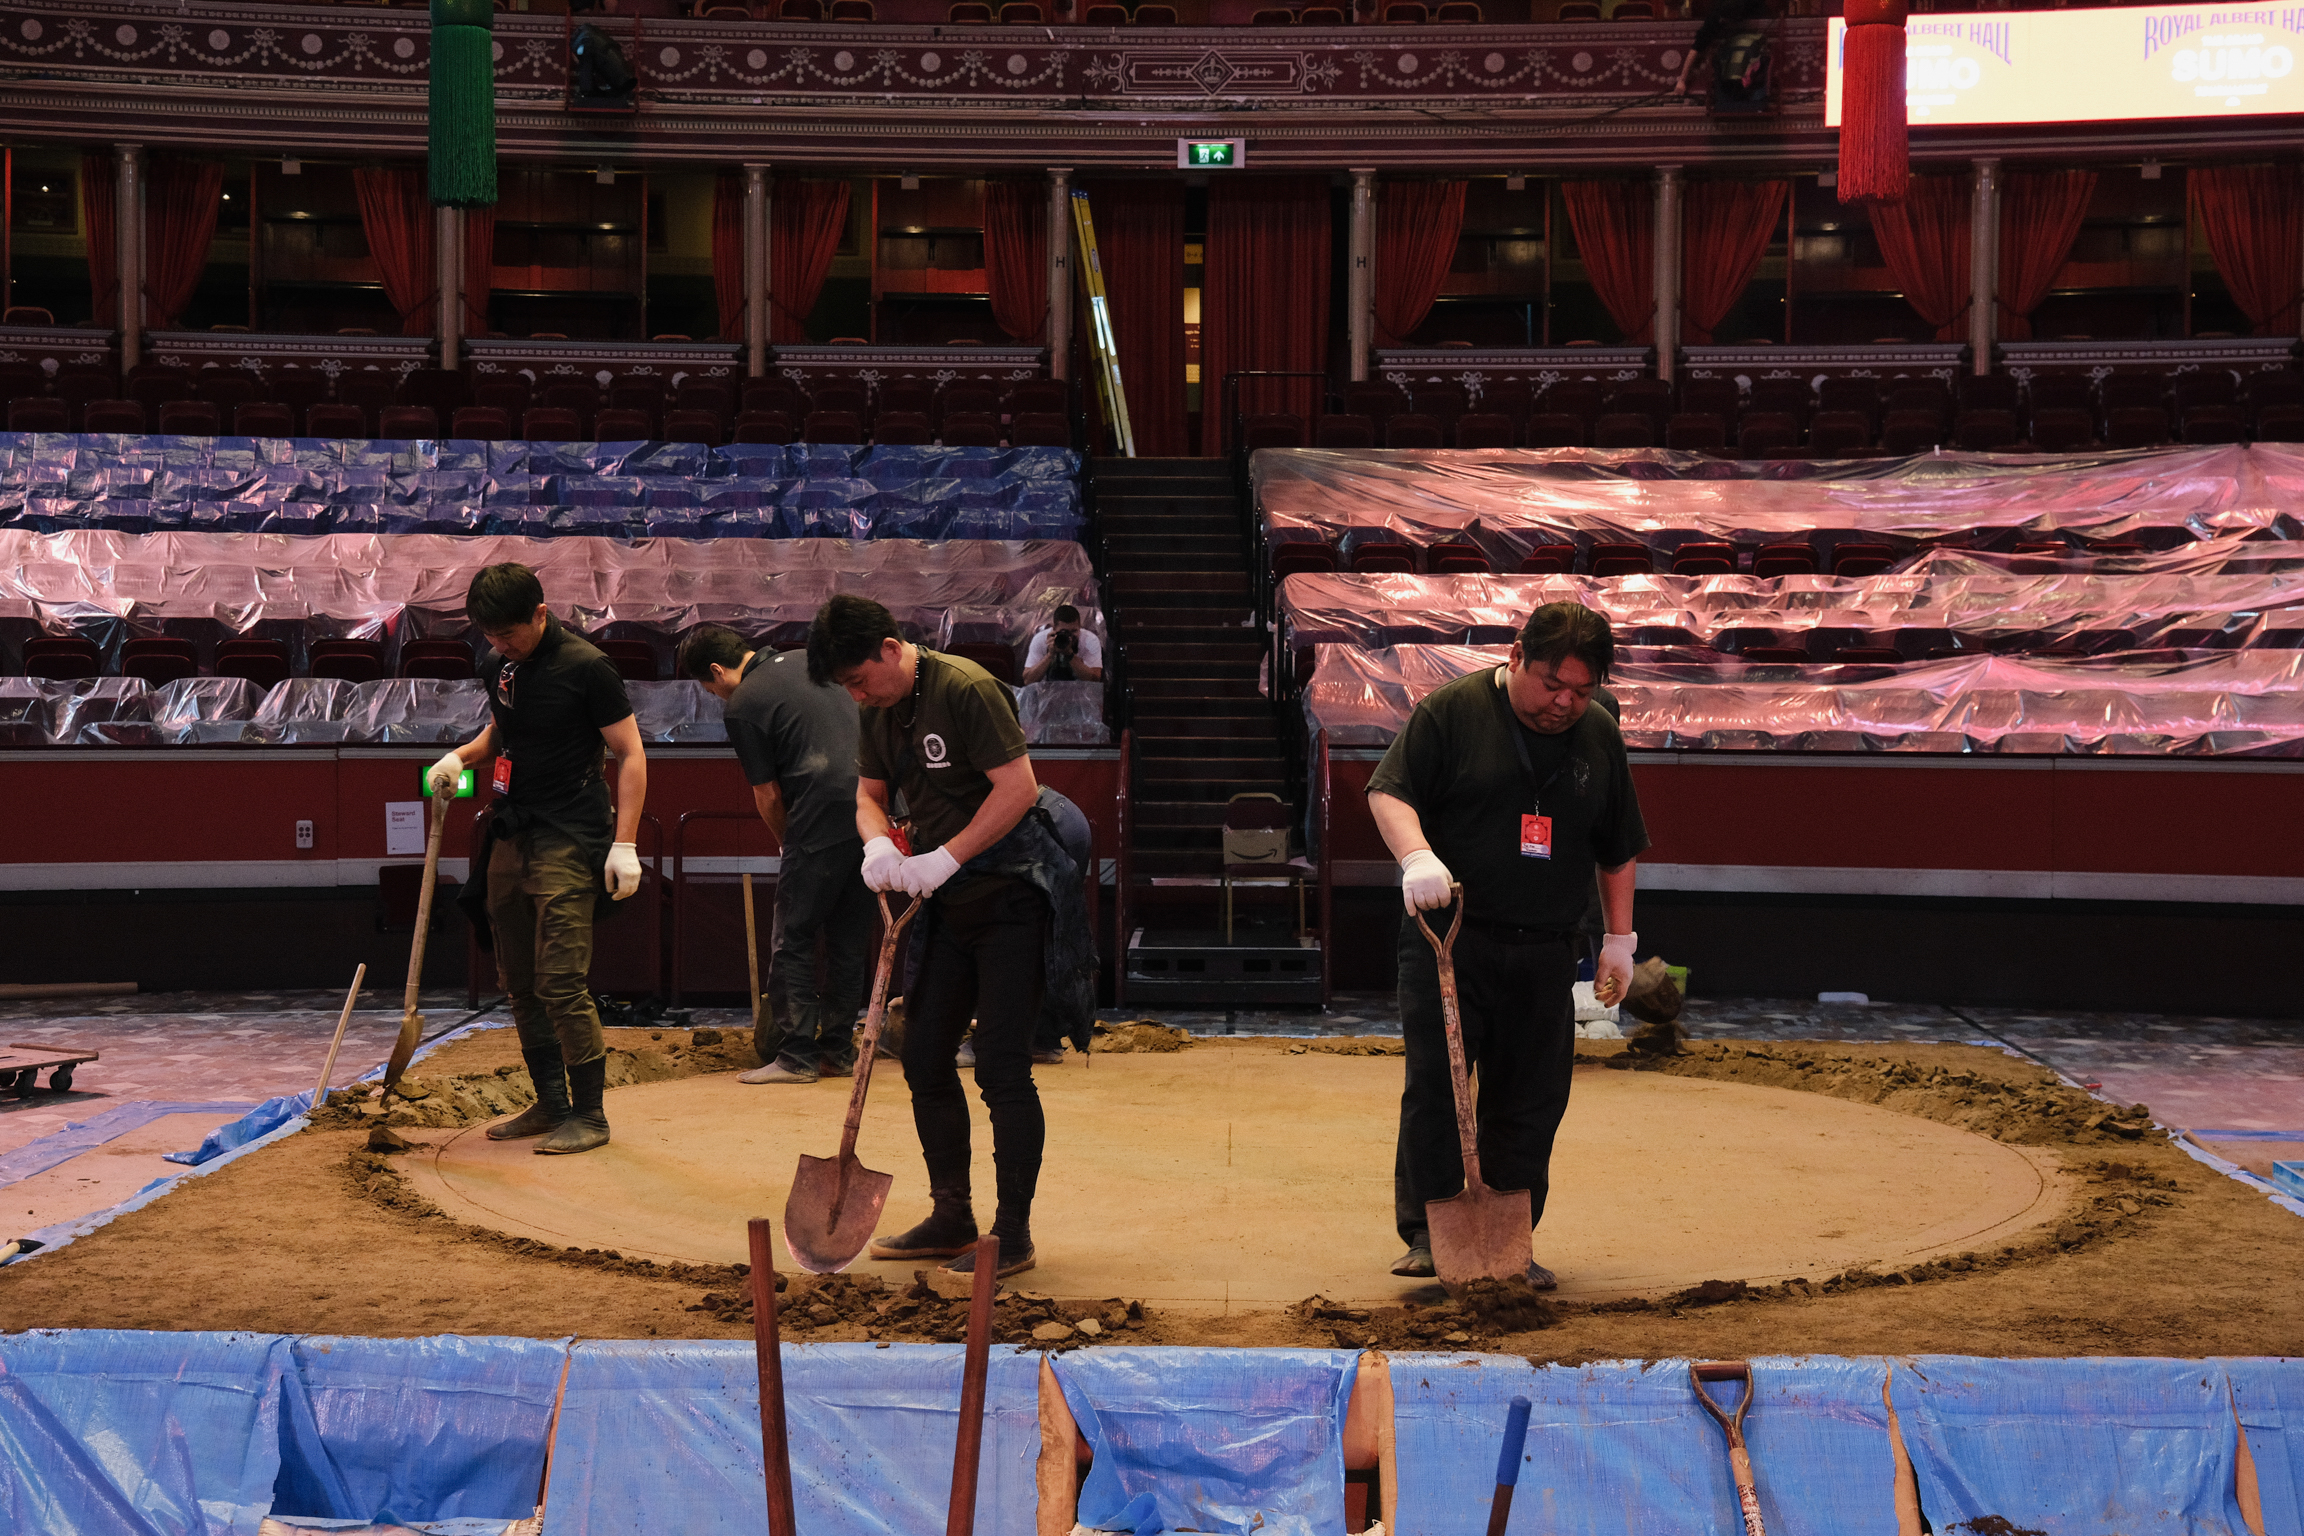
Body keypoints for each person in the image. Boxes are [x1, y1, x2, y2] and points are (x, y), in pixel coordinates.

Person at [1365, 601, 1649, 1285]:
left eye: (1581, 691)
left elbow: (1618, 847)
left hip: (1548, 945)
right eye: (1552, 684)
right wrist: (1417, 858)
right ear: (1516, 655)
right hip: (1449, 941)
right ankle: (1432, 1237)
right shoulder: (1453, 712)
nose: (1564, 703)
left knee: (1531, 1095)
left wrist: (1619, 939)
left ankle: (1510, 1240)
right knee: (1441, 1087)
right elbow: (1388, 793)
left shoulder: (1599, 735)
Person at [810, 594, 1079, 1280]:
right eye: (846, 687)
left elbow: (1018, 788)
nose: (857, 694)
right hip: (945, 904)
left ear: (890, 649)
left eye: (859, 678)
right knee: (925, 1055)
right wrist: (877, 847)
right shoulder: (879, 707)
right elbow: (870, 795)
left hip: (1012, 894)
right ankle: (950, 1213)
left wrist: (947, 855)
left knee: (1000, 1066)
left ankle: (1010, 1234)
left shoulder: (966, 688)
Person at [430, 563, 646, 1156]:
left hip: (570, 836)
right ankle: (550, 1102)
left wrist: (624, 843)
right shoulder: (499, 663)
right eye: (491, 637)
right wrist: (461, 757)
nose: (501, 646)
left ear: (541, 614)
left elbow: (629, 753)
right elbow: (504, 731)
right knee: (517, 981)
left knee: (559, 983)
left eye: (510, 635)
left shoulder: (587, 667)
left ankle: (591, 1114)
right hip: (512, 831)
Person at [679, 623, 873, 1085]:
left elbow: (766, 794)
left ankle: (797, 1057)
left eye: (708, 687)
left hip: (818, 817)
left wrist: (790, 844)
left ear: (716, 670)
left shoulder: (745, 703)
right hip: (875, 814)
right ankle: (838, 1054)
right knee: (848, 941)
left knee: (794, 938)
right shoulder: (811, 658)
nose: (714, 695)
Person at [1021, 604, 1103, 683]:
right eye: (1064, 632)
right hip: (1046, 691)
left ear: (1080, 627)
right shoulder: (1041, 640)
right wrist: (1049, 655)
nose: (1070, 636)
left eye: (1074, 631)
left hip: (1080, 692)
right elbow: (1028, 680)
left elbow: (1094, 680)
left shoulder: (1090, 640)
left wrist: (1070, 655)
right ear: (1054, 628)